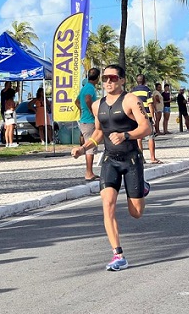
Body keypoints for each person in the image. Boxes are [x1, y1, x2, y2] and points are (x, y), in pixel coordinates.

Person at [71, 64, 151, 271]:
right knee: (108, 204)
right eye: (105, 78)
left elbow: (146, 127)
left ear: (122, 80)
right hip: (109, 160)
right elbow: (98, 132)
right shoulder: (98, 105)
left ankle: (142, 187)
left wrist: (126, 135)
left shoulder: (131, 100)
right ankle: (118, 255)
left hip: (131, 159)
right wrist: (83, 148)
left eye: (113, 78)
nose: (108, 81)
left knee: (136, 213)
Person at [75, 67, 100, 181]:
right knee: (90, 146)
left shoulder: (84, 88)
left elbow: (77, 101)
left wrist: (83, 110)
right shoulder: (90, 88)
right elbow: (88, 99)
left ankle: (90, 172)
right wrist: (92, 112)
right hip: (89, 121)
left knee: (91, 144)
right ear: (98, 78)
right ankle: (89, 173)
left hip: (84, 119)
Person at [131, 74, 162, 164]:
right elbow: (150, 104)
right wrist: (153, 116)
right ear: (144, 81)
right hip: (146, 116)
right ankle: (152, 158)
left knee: (138, 138)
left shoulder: (133, 91)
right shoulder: (147, 90)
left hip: (136, 116)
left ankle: (141, 158)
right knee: (150, 137)